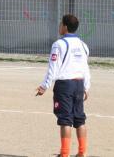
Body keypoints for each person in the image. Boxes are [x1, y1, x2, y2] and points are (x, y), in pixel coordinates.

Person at [36, 14, 90, 157]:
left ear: (65, 27)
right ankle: (82, 152)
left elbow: (53, 68)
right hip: (79, 84)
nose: (59, 26)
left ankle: (64, 154)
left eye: (61, 24)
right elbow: (85, 69)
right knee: (80, 120)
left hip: (65, 86)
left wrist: (44, 86)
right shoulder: (83, 45)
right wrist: (86, 87)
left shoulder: (59, 44)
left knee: (65, 120)